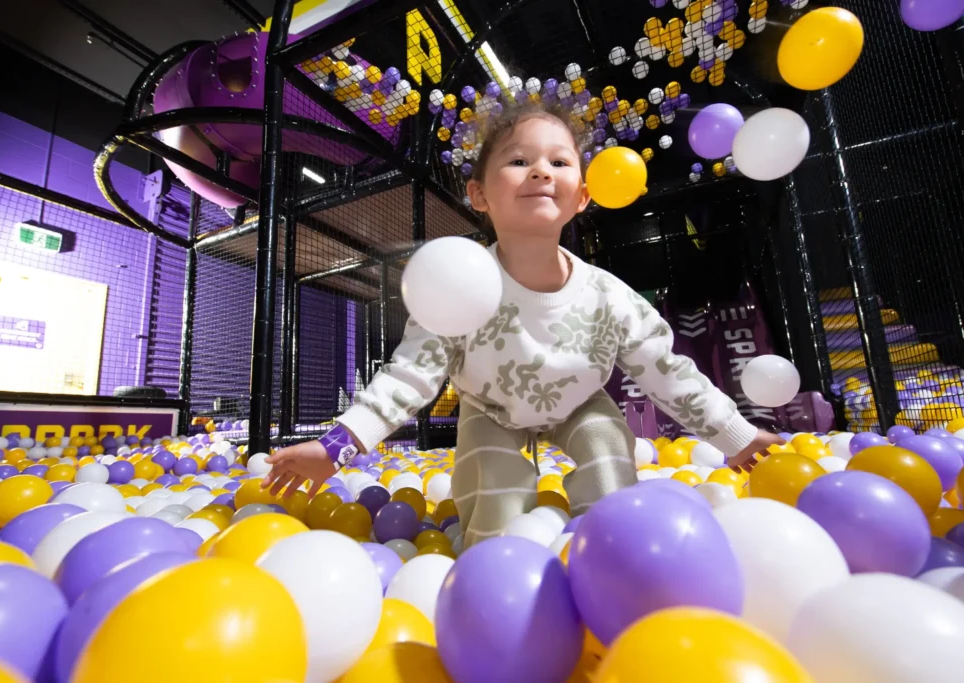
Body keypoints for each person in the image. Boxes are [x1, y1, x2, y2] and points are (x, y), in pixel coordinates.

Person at [263, 101, 782, 547]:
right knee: (494, 506)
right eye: (518, 160)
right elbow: (411, 373)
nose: (540, 171)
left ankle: (608, 548)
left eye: (559, 161)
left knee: (609, 457)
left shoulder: (608, 297)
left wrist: (735, 436)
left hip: (580, 401)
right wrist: (337, 446)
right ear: (479, 194)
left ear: (581, 196)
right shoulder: (458, 283)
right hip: (490, 408)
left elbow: (666, 370)